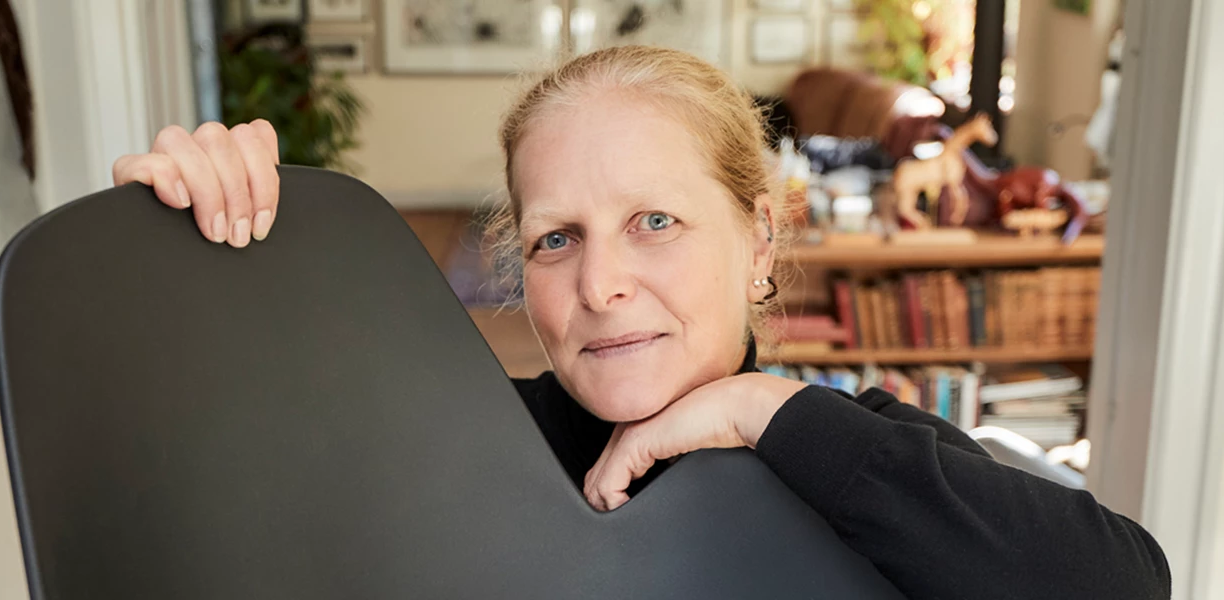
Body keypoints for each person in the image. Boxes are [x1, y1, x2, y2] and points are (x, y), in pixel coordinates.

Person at [111, 45, 1170, 598]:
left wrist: (762, 414)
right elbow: (191, 508)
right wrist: (186, 262)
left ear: (759, 241)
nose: (601, 284)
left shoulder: (859, 453)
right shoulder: (463, 442)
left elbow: (1119, 589)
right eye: (555, 239)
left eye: (653, 222)